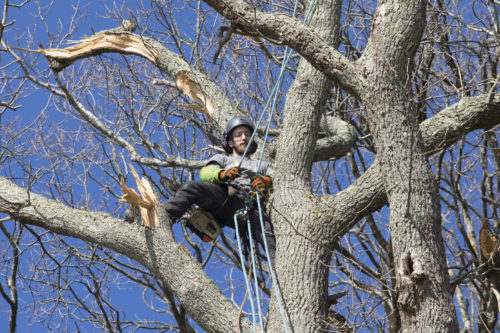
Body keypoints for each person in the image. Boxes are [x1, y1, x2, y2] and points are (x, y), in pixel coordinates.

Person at [164, 116, 276, 262]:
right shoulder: (223, 159)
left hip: (251, 208)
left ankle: (281, 274)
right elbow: (205, 173)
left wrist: (268, 180)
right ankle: (165, 216)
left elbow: (278, 178)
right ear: (231, 142)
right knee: (192, 188)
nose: (244, 138)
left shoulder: (263, 165)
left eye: (247, 134)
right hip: (224, 197)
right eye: (238, 135)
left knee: (270, 240)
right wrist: (223, 174)